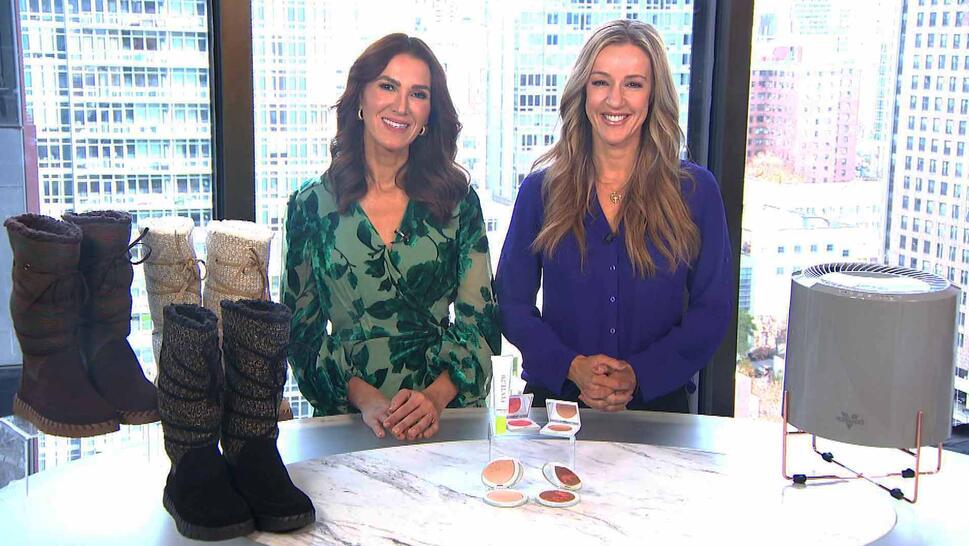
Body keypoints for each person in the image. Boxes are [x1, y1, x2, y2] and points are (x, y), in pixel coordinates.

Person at [496, 20, 733, 413]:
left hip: (658, 413)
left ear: (653, 95)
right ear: (583, 92)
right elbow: (511, 303)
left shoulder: (695, 192)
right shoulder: (540, 191)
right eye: (601, 82)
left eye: (634, 84)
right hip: (558, 412)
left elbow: (712, 311)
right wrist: (573, 368)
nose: (615, 100)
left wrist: (639, 374)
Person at [282, 34, 500, 440]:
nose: (401, 106)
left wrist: (433, 399)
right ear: (360, 98)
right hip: (346, 419)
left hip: (445, 416)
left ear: (429, 115)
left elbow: (481, 323)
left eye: (418, 94)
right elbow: (300, 332)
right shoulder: (310, 204)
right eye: (387, 86)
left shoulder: (457, 200)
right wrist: (366, 400)